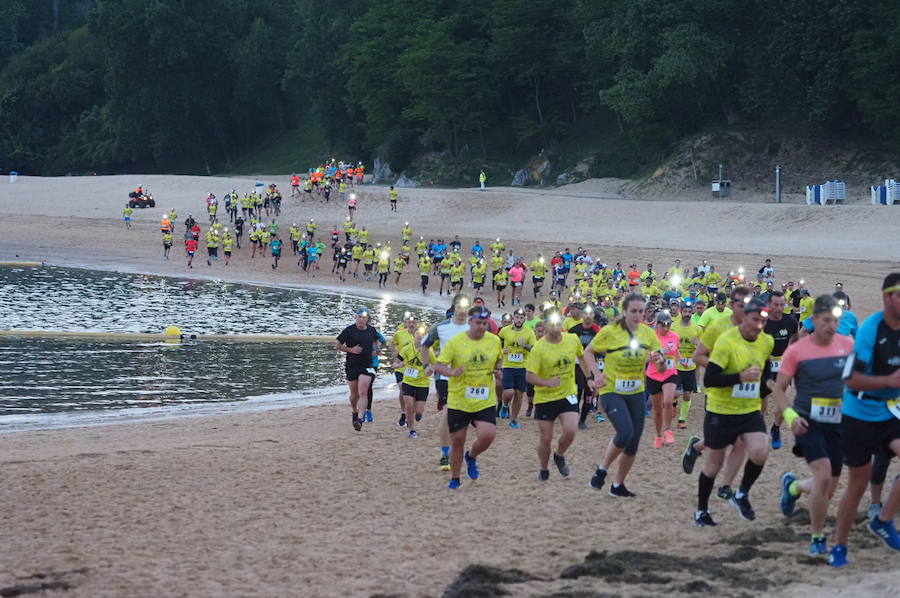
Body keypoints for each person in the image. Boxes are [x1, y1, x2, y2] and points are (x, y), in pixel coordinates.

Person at [828, 273, 900, 567]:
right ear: (887, 297)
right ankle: (839, 546)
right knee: (857, 483)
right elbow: (851, 379)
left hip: (890, 410)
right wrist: (888, 380)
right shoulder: (871, 330)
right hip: (858, 412)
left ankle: (883, 520)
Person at [773, 295, 854, 556]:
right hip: (808, 421)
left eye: (836, 320)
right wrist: (790, 418)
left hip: (839, 423)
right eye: (827, 320)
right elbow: (779, 390)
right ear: (814, 319)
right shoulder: (797, 351)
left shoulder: (848, 345)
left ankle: (793, 487)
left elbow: (855, 381)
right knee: (823, 475)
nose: (832, 325)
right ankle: (817, 537)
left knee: (829, 485)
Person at [690, 298, 774, 526]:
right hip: (721, 411)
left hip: (749, 410)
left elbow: (764, 371)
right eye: (755, 320)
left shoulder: (767, 341)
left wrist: (769, 386)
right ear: (744, 317)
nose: (758, 325)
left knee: (760, 451)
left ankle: (742, 493)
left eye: (763, 322)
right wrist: (740, 377)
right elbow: (710, 379)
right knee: (713, 465)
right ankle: (702, 511)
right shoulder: (727, 341)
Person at [583, 293, 665, 497]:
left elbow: (661, 368)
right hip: (612, 390)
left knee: (634, 441)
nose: (638, 315)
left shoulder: (648, 334)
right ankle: (602, 470)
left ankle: (618, 485)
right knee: (625, 433)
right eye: (634, 311)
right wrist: (597, 373)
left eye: (641, 311)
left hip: (636, 391)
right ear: (625, 311)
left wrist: (660, 361)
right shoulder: (611, 331)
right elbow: (588, 351)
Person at [431, 305, 503, 489]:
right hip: (459, 399)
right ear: (470, 321)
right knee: (457, 440)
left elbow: (499, 359)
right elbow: (438, 366)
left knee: (488, 435)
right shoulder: (456, 342)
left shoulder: (494, 341)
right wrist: (452, 372)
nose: (481, 326)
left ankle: (470, 457)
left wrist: (498, 370)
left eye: (485, 323)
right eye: (478, 323)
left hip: (484, 398)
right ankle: (455, 478)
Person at [527, 309, 586, 481]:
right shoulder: (538, 348)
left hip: (568, 393)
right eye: (552, 324)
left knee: (571, 429)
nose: (556, 327)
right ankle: (544, 469)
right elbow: (529, 376)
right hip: (545, 397)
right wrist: (547, 383)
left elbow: (582, 357)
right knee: (546, 438)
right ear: (545, 326)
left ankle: (559, 455)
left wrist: (590, 377)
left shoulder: (572, 339)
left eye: (559, 323)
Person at [422, 294, 472, 471]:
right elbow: (425, 345)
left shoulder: (474, 327)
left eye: (466, 308)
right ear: (454, 308)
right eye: (460, 307)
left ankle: (457, 450)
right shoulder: (441, 327)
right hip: (445, 377)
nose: (463, 311)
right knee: (448, 413)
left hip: (469, 378)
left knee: (463, 417)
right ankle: (445, 454)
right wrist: (427, 365)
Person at [763, 291, 799, 449]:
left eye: (782, 305)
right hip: (764, 367)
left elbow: (795, 340)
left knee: (784, 400)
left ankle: (776, 428)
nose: (779, 308)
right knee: (761, 407)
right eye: (775, 305)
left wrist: (790, 354)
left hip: (783, 368)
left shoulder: (790, 322)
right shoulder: (762, 322)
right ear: (769, 305)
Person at [336, 307, 382, 431]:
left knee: (363, 391)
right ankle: (354, 411)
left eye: (364, 318)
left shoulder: (371, 330)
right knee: (354, 394)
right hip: (352, 365)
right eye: (359, 317)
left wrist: (376, 350)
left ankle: (360, 419)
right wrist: (351, 350)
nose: (361, 320)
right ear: (356, 318)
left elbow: (377, 339)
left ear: (367, 319)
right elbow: (338, 345)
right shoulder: (349, 330)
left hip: (367, 365)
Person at [498, 309, 537, 428]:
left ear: (524, 319)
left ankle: (514, 419)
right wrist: (501, 351)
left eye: (521, 318)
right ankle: (504, 405)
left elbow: (534, 349)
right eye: (517, 317)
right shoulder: (504, 331)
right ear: (513, 318)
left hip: (523, 366)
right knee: (509, 392)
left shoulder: (529, 332)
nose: (519, 320)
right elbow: (495, 344)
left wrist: (525, 345)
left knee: (519, 394)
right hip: (508, 365)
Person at [396, 323, 434, 439]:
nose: (420, 336)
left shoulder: (429, 351)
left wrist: (430, 370)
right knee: (409, 406)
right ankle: (412, 430)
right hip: (408, 381)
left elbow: (434, 365)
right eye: (418, 333)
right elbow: (399, 360)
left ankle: (417, 415)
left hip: (423, 383)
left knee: (418, 411)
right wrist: (398, 364)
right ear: (414, 335)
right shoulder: (407, 348)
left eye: (423, 334)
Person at [648, 311, 680, 447]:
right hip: (653, 374)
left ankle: (668, 430)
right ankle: (658, 436)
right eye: (663, 326)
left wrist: (681, 361)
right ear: (657, 325)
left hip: (670, 373)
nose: (666, 329)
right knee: (657, 409)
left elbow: (676, 352)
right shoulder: (650, 338)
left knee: (667, 401)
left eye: (668, 325)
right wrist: (660, 352)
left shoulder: (675, 336)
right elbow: (645, 358)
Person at [672, 303, 702, 429]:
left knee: (687, 394)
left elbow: (703, 347)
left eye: (690, 312)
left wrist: (697, 343)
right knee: (675, 393)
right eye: (685, 311)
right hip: (676, 365)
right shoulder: (674, 327)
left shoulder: (697, 329)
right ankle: (673, 406)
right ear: (681, 311)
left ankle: (682, 419)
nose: (687, 314)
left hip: (690, 367)